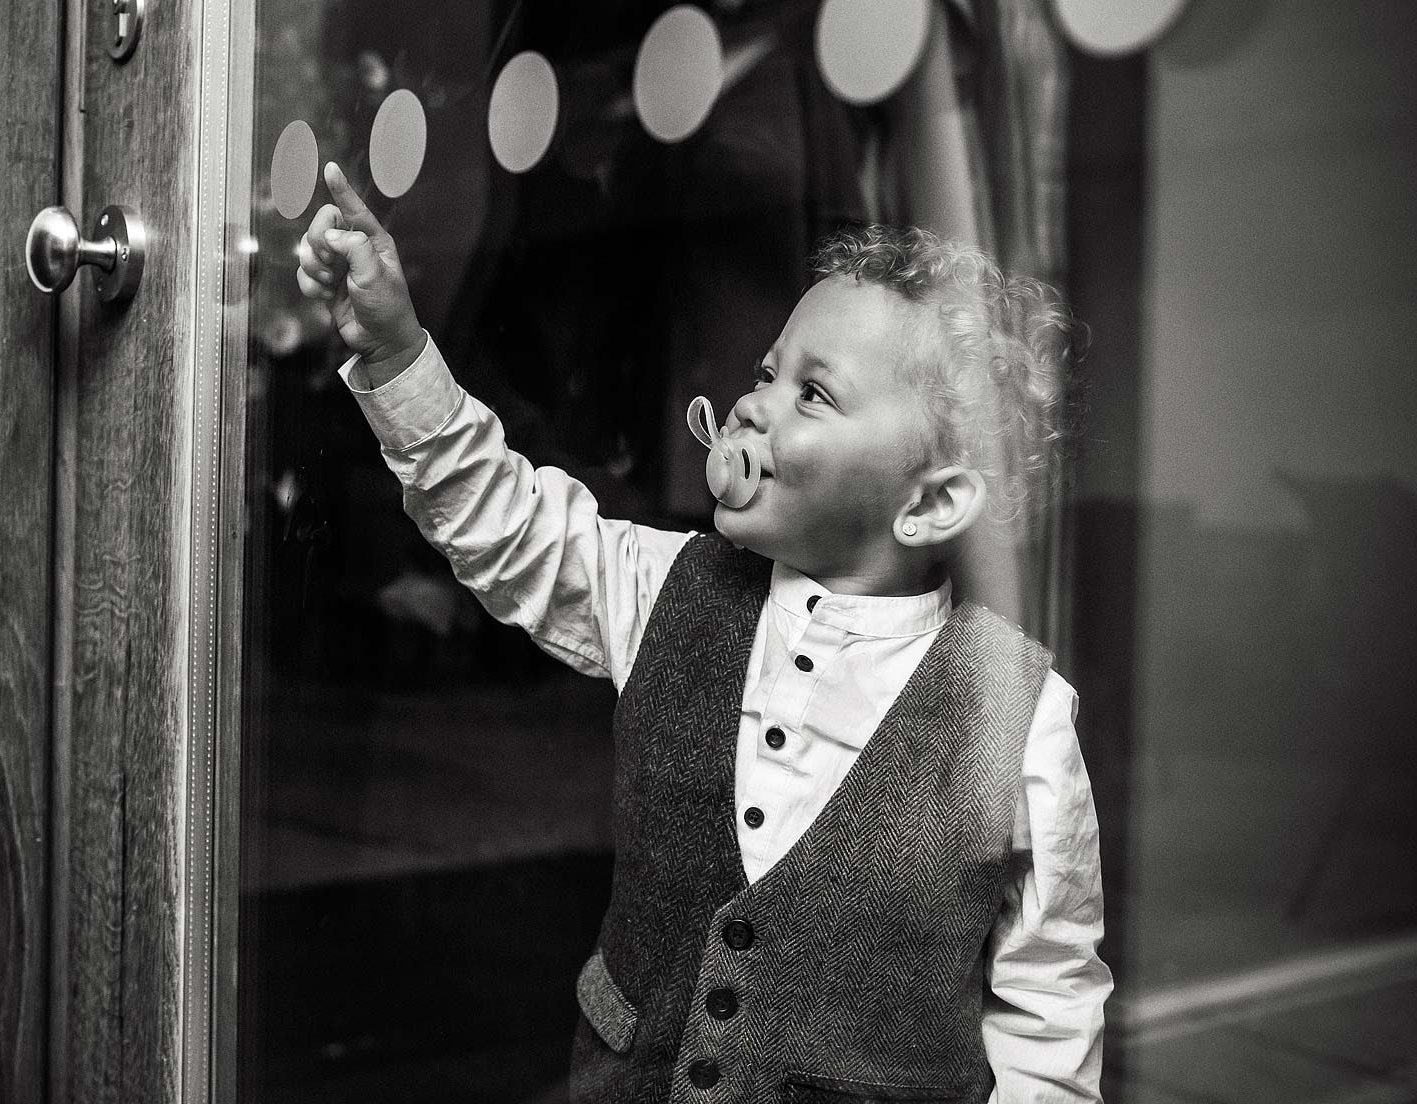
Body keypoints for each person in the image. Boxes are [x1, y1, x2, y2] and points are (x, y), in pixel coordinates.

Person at [295, 161, 1111, 1102]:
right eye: (768, 372)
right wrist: (397, 351)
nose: (754, 402)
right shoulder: (666, 586)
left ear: (930, 504)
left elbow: (1048, 1003)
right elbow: (505, 518)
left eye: (815, 394)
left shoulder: (1021, 721)